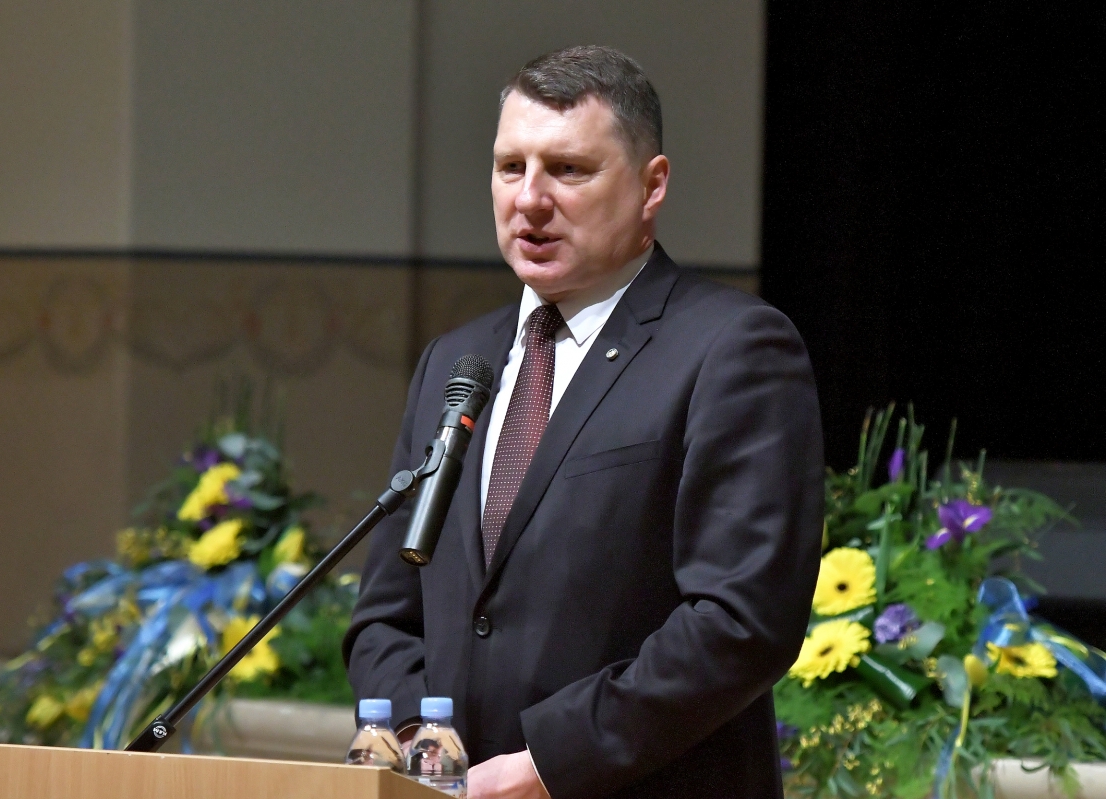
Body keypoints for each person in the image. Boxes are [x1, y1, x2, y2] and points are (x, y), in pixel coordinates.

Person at [344, 45, 824, 799]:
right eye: (511, 167)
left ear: (651, 185)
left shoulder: (733, 349)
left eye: (568, 170)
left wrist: (547, 764)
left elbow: (741, 622)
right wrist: (421, 744)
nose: (530, 199)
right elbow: (386, 615)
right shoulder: (456, 362)